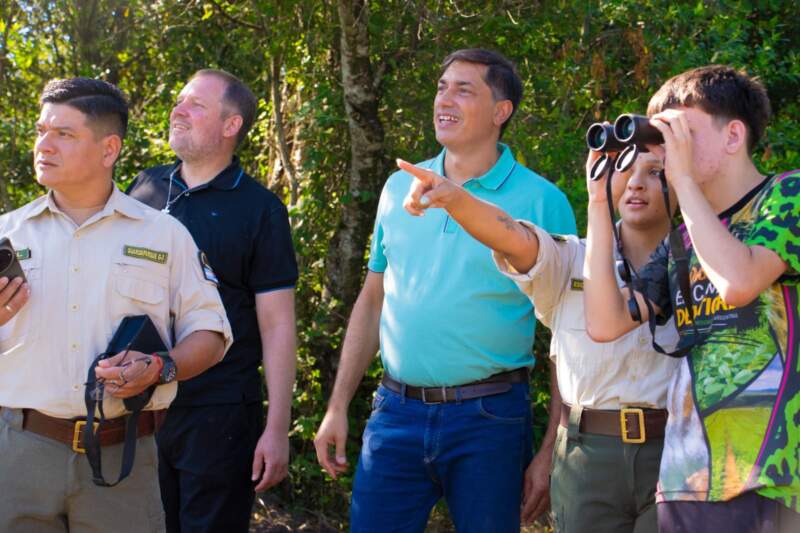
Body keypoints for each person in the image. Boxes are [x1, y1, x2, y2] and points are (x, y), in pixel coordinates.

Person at [314, 48, 576, 532]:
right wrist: (336, 407)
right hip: (394, 414)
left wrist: (549, 451)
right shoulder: (398, 187)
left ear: (501, 112)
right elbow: (373, 299)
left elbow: (569, 331)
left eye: (463, 89)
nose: (444, 99)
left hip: (490, 419)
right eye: (441, 87)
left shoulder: (543, 200)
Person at [401, 149, 680, 532]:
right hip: (588, 458)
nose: (636, 182)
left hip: (676, 453)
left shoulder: (702, 265)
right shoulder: (571, 258)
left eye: (656, 171)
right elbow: (512, 237)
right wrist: (455, 198)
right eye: (625, 170)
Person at [0, 77, 232, 532]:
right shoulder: (9, 234)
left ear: (109, 149)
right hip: (18, 456)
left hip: (122, 458)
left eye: (63, 134)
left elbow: (210, 332)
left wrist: (160, 367)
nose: (43, 145)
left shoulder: (163, 236)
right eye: (40, 131)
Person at [583, 65, 800, 531]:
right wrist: (599, 206)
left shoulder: (788, 194)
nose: (666, 147)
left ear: (733, 135)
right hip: (686, 476)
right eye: (659, 135)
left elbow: (738, 281)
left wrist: (680, 179)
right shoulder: (683, 238)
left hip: (769, 472)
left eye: (680, 131)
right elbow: (604, 323)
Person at [127, 69, 298, 533]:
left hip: (219, 414)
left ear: (231, 125)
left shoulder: (260, 209)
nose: (178, 109)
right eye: (179, 100)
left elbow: (277, 325)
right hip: (137, 410)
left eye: (196, 105)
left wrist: (277, 429)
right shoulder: (142, 189)